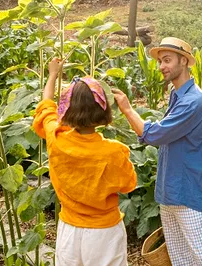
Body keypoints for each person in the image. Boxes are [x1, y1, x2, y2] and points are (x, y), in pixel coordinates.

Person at [112, 37, 202, 266]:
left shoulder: (193, 102)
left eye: (168, 60)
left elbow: (155, 135)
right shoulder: (177, 94)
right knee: (179, 256)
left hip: (187, 192)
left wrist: (128, 109)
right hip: (170, 190)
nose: (162, 66)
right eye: (160, 61)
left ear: (184, 61)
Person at [32, 58, 138, 266]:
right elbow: (129, 184)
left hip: (69, 230)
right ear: (104, 110)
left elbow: (45, 107)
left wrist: (53, 74)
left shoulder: (57, 137)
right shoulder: (113, 151)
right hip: (104, 233)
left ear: (67, 109)